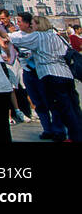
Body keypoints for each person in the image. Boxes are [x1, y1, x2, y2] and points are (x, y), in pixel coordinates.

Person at [10, 13, 82, 142]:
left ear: (38, 24)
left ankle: (75, 137)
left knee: (61, 107)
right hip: (66, 74)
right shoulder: (57, 36)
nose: (31, 26)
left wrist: (1, 35)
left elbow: (16, 40)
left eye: (33, 24)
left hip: (51, 74)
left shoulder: (39, 36)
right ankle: (75, 134)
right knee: (72, 107)